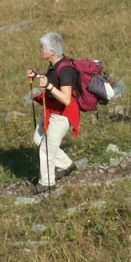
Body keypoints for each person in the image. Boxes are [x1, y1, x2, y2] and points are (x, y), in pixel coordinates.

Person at [27, 33, 79, 193]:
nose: (40, 50)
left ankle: (47, 182)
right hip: (51, 109)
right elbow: (52, 79)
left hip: (63, 114)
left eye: (42, 48)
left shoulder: (65, 70)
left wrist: (48, 86)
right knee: (38, 139)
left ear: (52, 51)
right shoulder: (55, 64)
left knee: (46, 149)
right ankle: (66, 165)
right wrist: (37, 76)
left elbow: (66, 99)